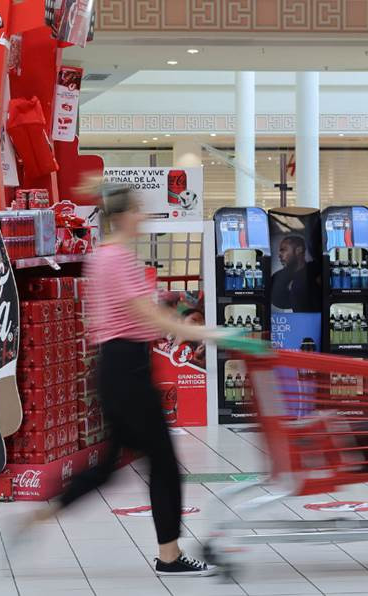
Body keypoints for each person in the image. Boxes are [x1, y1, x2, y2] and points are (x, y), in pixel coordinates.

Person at [25, 182, 222, 576]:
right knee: (164, 464)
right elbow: (145, 316)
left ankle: (43, 514)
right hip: (128, 369)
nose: (142, 217)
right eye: (138, 210)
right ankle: (169, 556)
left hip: (115, 368)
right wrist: (205, 333)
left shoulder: (103, 257)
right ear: (123, 216)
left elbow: (138, 313)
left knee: (110, 466)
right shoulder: (118, 260)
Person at [270, 235, 321, 312]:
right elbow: (279, 301)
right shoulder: (280, 277)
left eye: (283, 250)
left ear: (298, 250)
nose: (280, 255)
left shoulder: (316, 270)